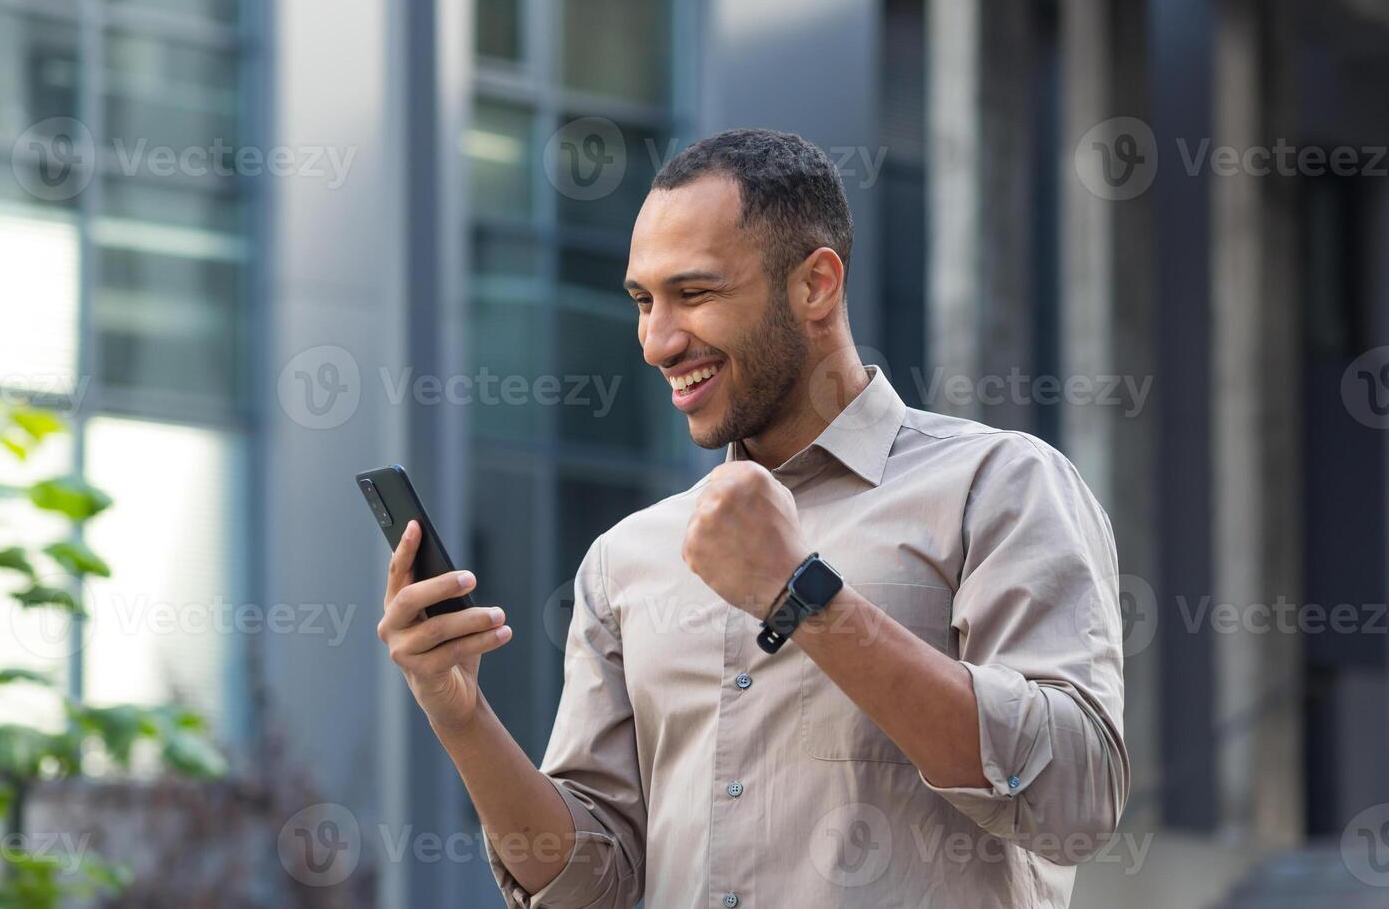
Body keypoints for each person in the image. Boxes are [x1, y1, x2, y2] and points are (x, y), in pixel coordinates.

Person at [376, 128, 1129, 907]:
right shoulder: (627, 558)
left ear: (815, 285)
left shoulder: (998, 486)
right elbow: (589, 888)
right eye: (643, 300)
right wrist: (459, 713)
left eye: (694, 294)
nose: (657, 341)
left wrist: (802, 596)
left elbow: (1076, 801)